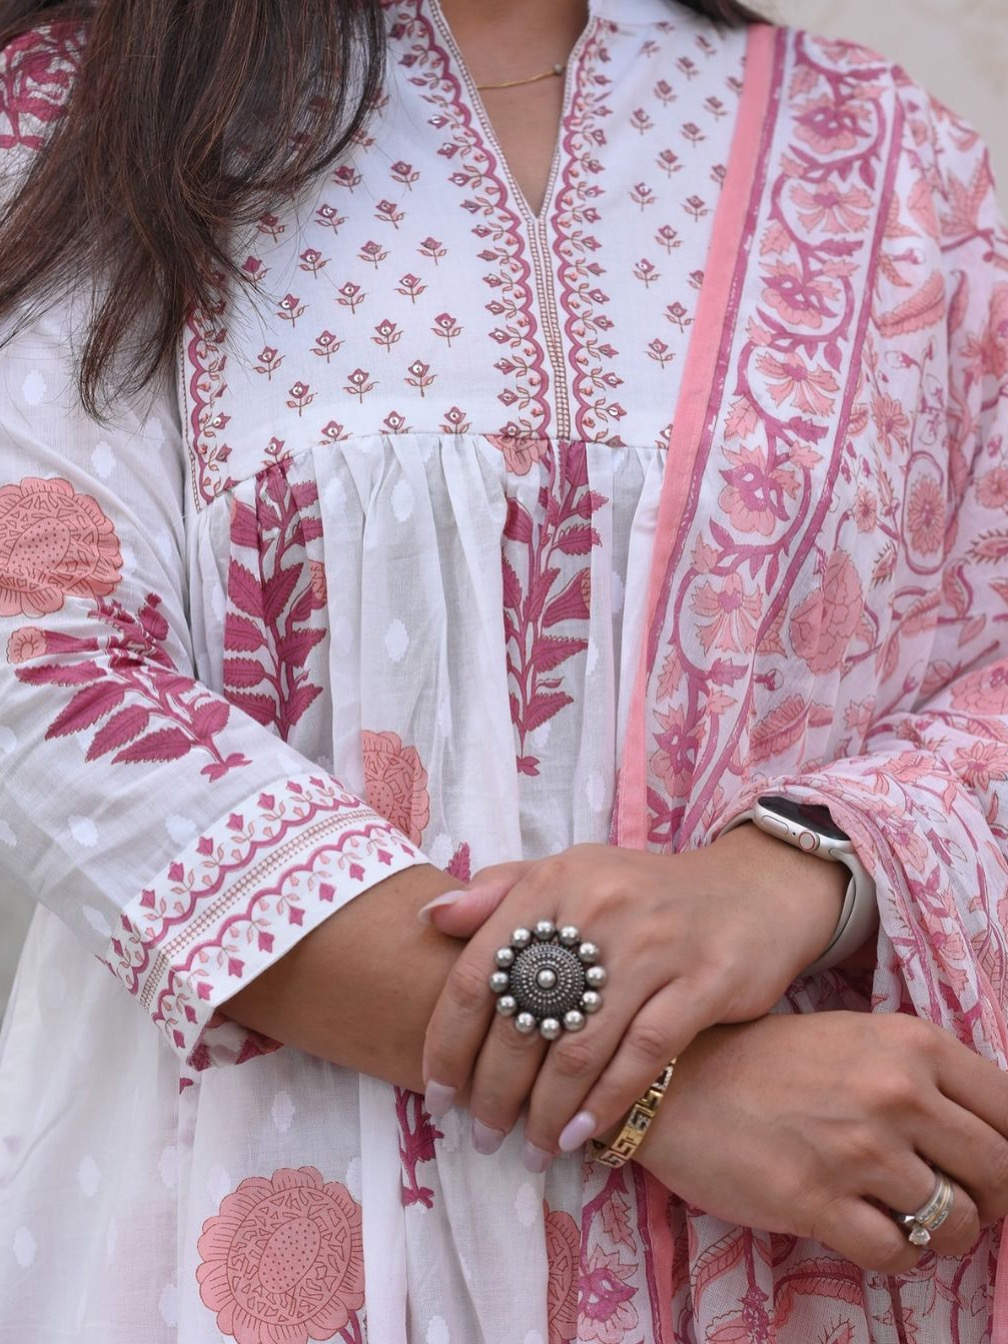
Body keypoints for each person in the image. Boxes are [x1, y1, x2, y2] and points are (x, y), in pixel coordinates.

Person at [1, 0, 1008, 1338]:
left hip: (793, 1238)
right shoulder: (76, 119)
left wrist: (792, 877)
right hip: (266, 1229)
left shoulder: (888, 157)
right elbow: (52, 670)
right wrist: (661, 1093)